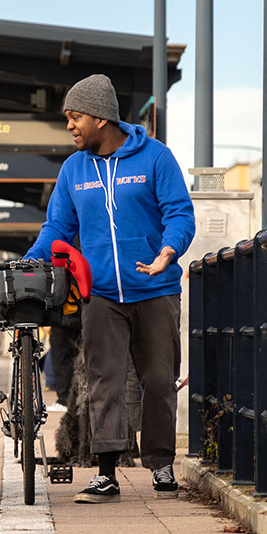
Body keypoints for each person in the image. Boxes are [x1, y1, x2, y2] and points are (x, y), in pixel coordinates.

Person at [23, 74, 195, 503]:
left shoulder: (155, 158)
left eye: (75, 117)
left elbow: (180, 213)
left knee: (158, 380)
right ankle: (106, 473)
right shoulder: (73, 169)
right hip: (99, 293)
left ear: (101, 118)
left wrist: (167, 253)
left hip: (155, 288)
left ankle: (161, 465)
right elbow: (58, 228)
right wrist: (30, 259)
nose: (70, 126)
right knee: (105, 382)